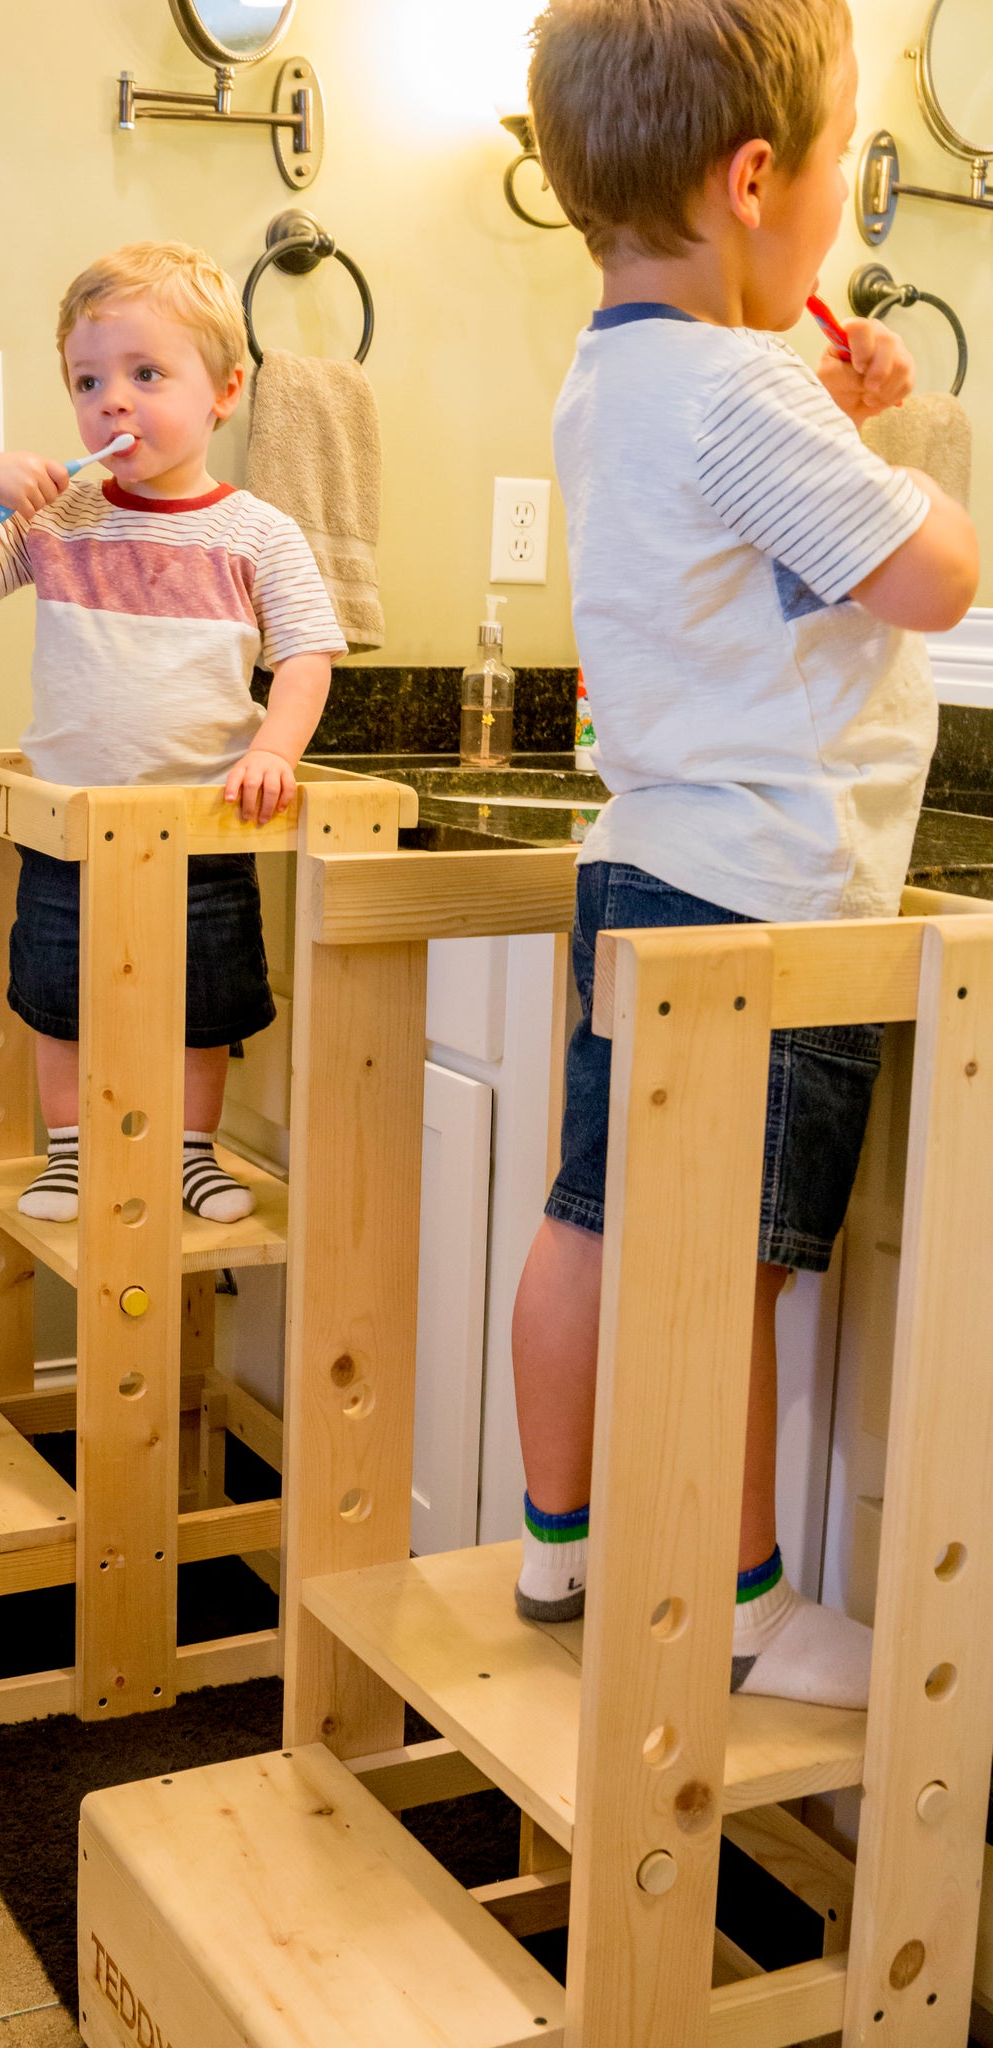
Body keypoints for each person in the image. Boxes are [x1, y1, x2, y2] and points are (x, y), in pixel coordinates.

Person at [514, 0, 979, 1707]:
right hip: (772, 904)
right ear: (757, 175)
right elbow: (936, 578)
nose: (847, 209)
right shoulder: (741, 394)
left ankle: (557, 1541)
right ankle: (743, 1602)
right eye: (850, 165)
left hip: (644, 871)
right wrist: (907, 442)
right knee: (742, 1270)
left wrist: (827, 409)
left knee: (593, 1219)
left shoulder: (616, 372)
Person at [0, 242, 346, 1225]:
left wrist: (272, 751)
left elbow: (307, 657)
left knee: (205, 1006)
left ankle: (195, 1152)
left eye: (146, 374)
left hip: (205, 823)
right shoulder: (64, 515)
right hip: (71, 823)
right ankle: (70, 1154)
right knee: (56, 994)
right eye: (88, 380)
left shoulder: (257, 534)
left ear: (225, 392)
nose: (112, 401)